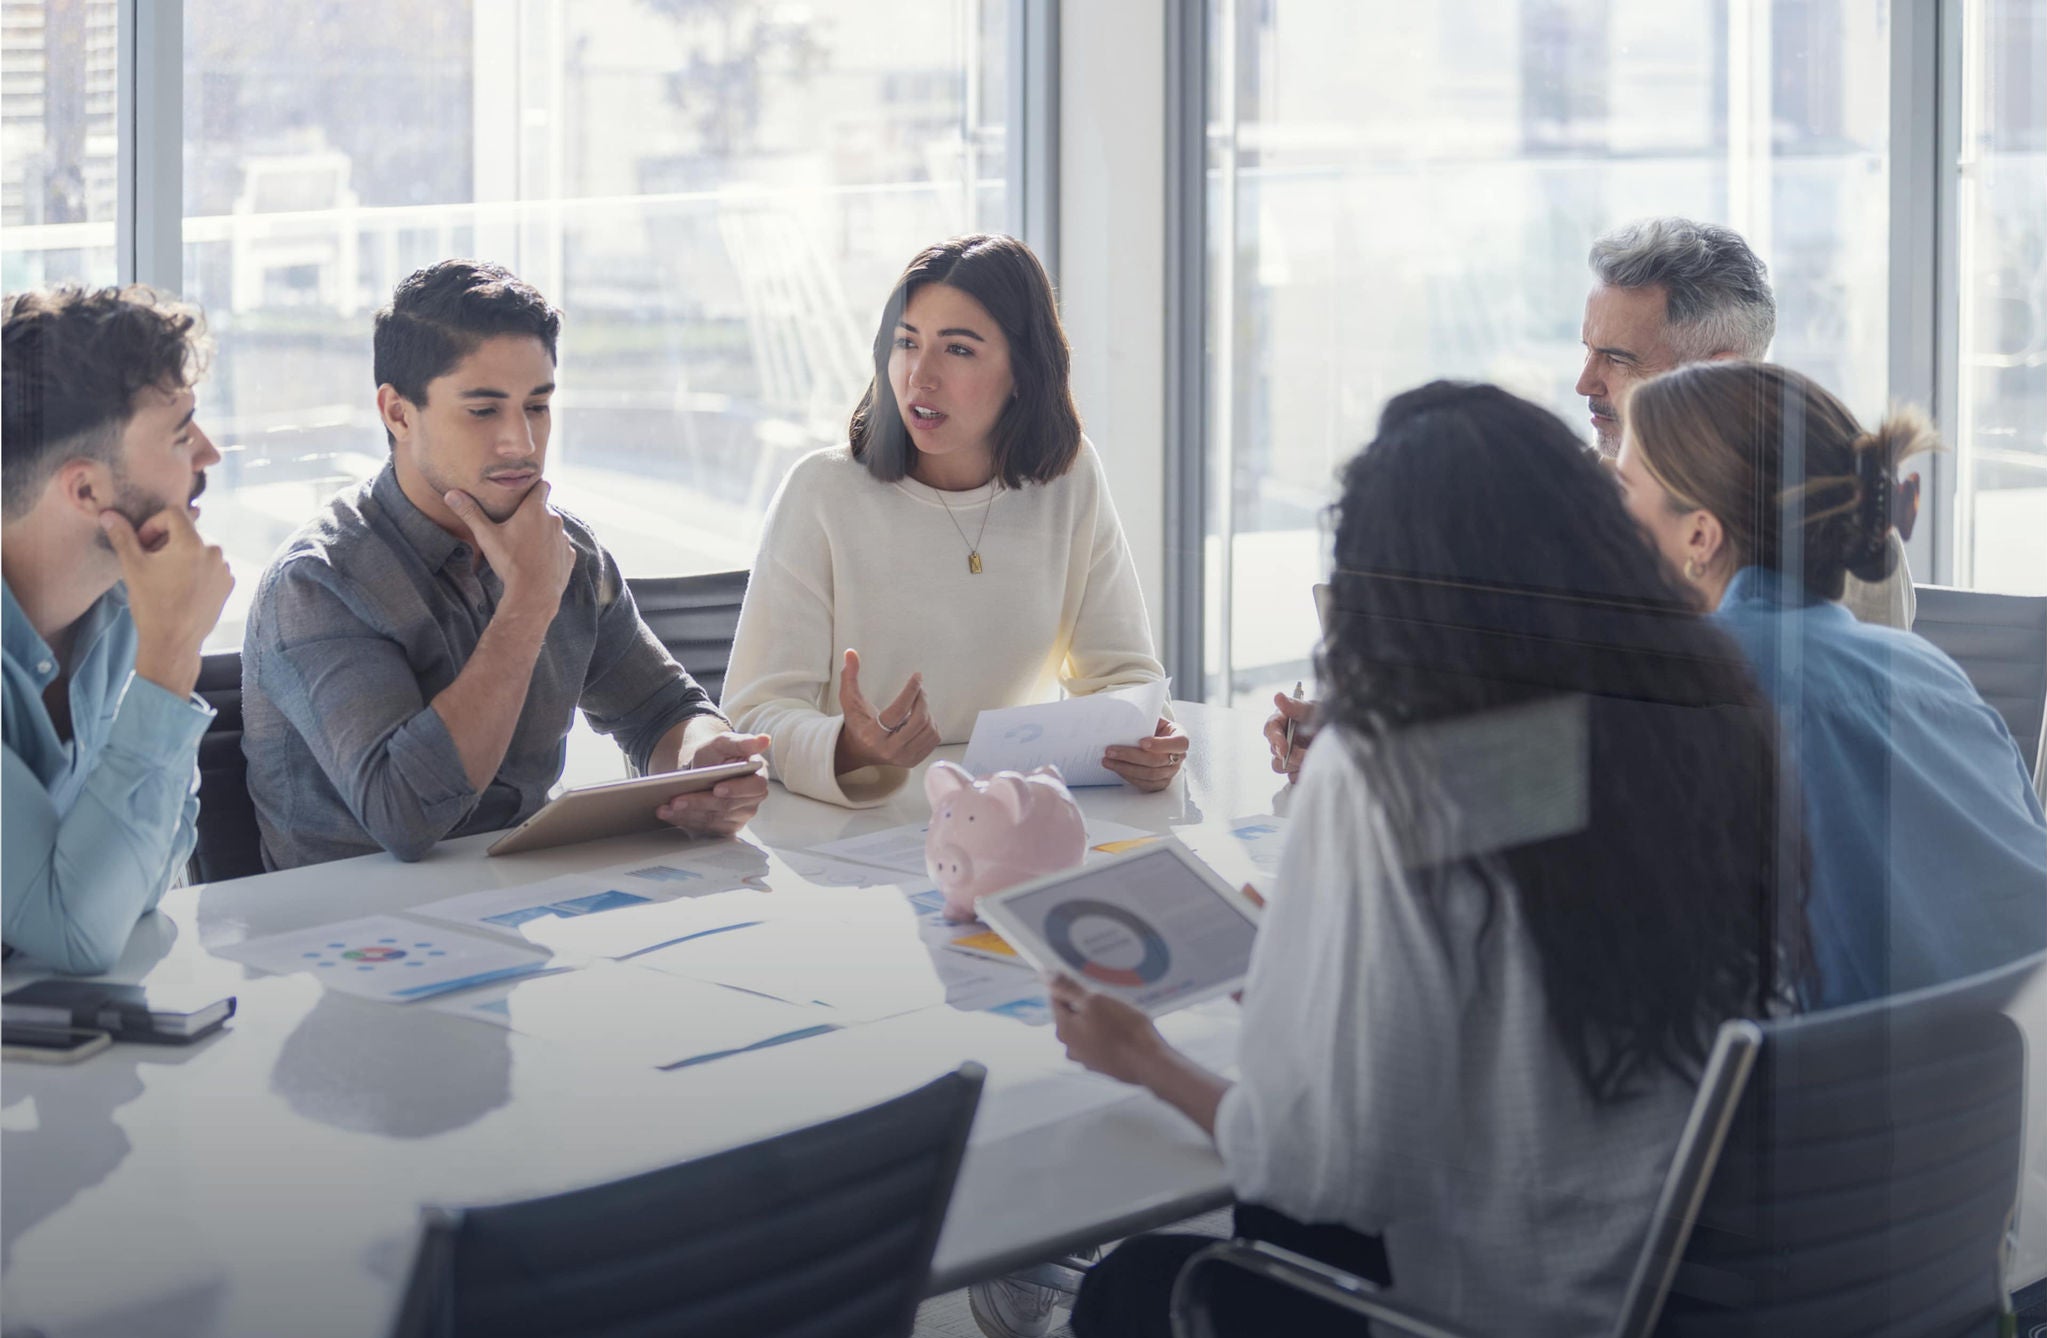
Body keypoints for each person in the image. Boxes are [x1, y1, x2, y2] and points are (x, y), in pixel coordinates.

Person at [1053, 381, 1803, 1338]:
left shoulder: (1389, 773)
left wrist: (1143, 1059)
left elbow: (1323, 1172)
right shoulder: (1698, 724)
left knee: (1129, 1287)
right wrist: (1309, 972)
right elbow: (1512, 971)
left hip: (1499, 1331)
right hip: (1685, 1311)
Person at [1266, 215, 1915, 780]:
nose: (1584, 382)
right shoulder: (1573, 493)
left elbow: (1665, 769)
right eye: (1586, 349)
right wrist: (1372, 732)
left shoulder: (1833, 528)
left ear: (1718, 371)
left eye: (1617, 358)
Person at [242, 260, 768, 870]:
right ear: (398, 413)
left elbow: (662, 710)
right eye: (484, 410)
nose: (521, 441)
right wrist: (526, 606)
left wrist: (705, 764)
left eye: (537, 406)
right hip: (349, 931)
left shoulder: (566, 548)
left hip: (523, 902)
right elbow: (405, 816)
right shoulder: (319, 581)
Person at [1616, 360, 2047, 1008]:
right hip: (2014, 1086)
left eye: (1622, 490)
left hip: (1845, 1097)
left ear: (1698, 535)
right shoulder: (1931, 670)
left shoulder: (1693, 695)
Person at [721, 233, 1184, 810]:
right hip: (851, 827)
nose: (920, 375)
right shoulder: (821, 491)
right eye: (906, 343)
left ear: (1022, 371)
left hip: (1006, 817)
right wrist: (848, 746)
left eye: (958, 349)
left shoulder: (1070, 478)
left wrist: (1148, 739)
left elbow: (1123, 674)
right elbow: (752, 712)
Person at [2, 284, 234, 973]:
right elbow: (79, 933)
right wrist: (171, 660)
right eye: (179, 433)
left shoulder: (129, 609)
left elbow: (150, 871)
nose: (210, 454)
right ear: (85, 490)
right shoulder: (158, 631)